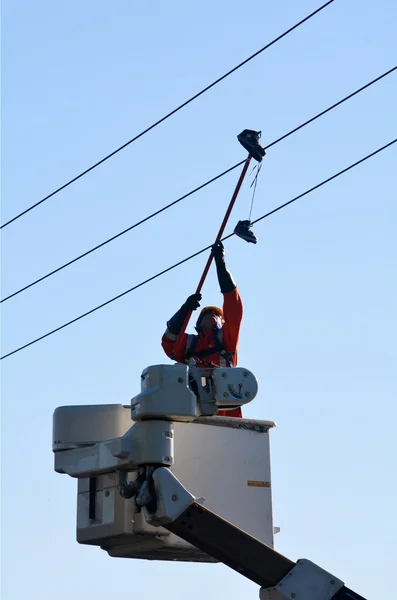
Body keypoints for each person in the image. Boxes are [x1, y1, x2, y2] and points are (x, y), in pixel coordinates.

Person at [161, 241, 243, 417]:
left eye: (216, 314)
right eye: (206, 314)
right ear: (197, 326)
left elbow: (233, 303)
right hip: (196, 413)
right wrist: (184, 309)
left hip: (225, 413)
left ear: (223, 322)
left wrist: (220, 265)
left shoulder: (227, 340)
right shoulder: (190, 345)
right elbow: (169, 341)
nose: (211, 314)